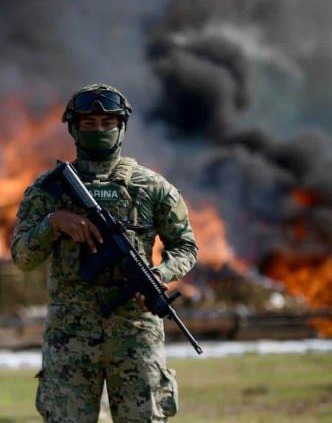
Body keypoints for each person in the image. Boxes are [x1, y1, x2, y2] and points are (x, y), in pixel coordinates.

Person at [11, 83, 198, 422]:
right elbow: (22, 257)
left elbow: (185, 247)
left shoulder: (152, 188)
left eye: (107, 123)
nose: (98, 129)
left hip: (135, 336)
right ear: (73, 128)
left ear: (121, 127)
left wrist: (160, 274)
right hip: (70, 338)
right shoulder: (48, 190)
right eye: (89, 123)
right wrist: (54, 222)